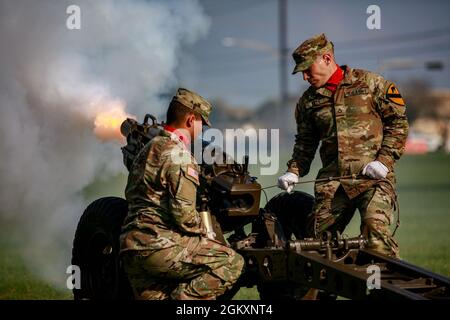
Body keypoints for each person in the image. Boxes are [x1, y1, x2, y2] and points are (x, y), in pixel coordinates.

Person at [278, 33, 409, 257]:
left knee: (375, 239)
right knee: (317, 247)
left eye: (308, 70)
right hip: (333, 183)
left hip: (373, 180)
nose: (305, 77)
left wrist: (384, 162)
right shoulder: (308, 102)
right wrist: (293, 172)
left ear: (327, 59)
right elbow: (305, 143)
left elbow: (398, 123)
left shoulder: (371, 84)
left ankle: (387, 288)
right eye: (302, 73)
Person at [120, 88, 244, 300]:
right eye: (201, 124)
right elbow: (185, 217)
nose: (201, 130)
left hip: (132, 248)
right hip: (160, 248)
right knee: (232, 262)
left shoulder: (148, 148)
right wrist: (211, 235)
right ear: (190, 120)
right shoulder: (180, 156)